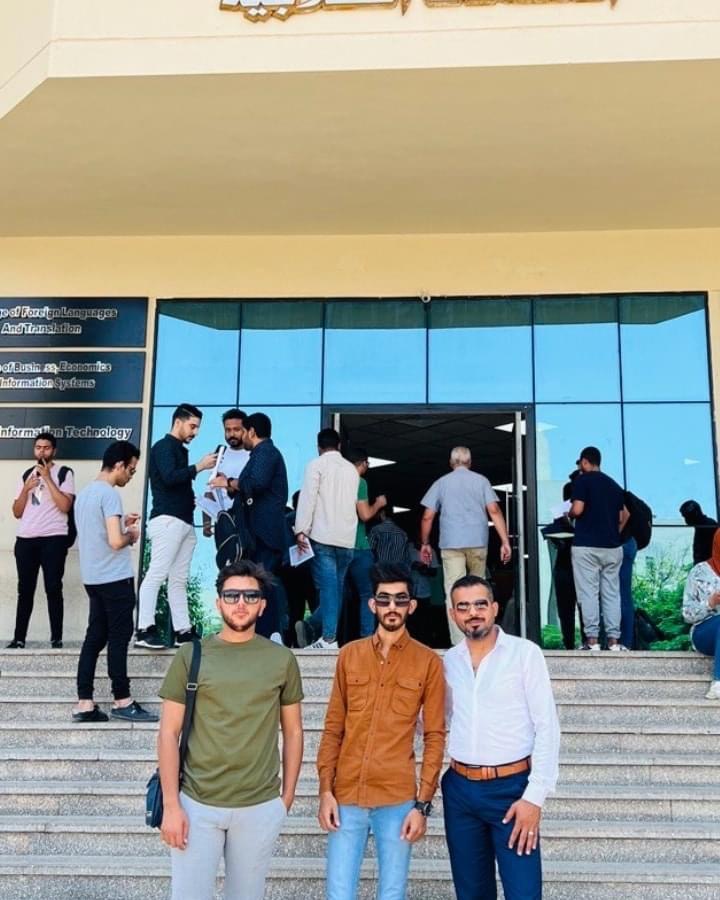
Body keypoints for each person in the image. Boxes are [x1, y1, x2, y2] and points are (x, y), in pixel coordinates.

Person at [158, 560, 304, 900]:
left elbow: (294, 731)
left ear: (262, 605)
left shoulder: (281, 659)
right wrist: (172, 805)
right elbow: (168, 733)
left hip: (259, 804)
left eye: (250, 596)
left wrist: (286, 799)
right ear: (218, 602)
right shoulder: (191, 655)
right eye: (232, 595)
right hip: (196, 803)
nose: (241, 603)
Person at [316, 562, 446, 900]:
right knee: (338, 893)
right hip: (346, 795)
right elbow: (333, 728)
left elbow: (435, 736)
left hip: (397, 799)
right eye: (384, 599)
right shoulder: (349, 656)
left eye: (400, 599)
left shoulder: (429, 663)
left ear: (411, 606)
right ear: (372, 604)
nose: (392, 607)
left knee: (392, 892)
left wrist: (422, 804)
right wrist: (325, 790)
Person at [443, 575, 560, 900]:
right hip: (460, 790)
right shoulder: (449, 661)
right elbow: (441, 720)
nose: (473, 613)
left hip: (512, 790)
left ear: (494, 608)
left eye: (480, 604)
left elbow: (547, 726)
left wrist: (534, 797)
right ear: (453, 614)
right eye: (463, 607)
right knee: (471, 893)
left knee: (523, 893)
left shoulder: (524, 654)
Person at [72, 441, 157, 724]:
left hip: (93, 578)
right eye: (131, 470)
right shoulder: (109, 495)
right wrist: (131, 534)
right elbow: (115, 541)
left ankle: (84, 702)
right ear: (119, 465)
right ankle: (122, 700)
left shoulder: (85, 495)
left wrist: (121, 524)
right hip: (115, 579)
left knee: (94, 638)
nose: (131, 475)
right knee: (119, 639)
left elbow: (98, 535)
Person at [136, 404, 218, 650]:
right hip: (167, 520)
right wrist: (198, 467)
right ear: (178, 422)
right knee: (157, 574)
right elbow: (170, 477)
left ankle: (183, 631)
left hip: (182, 522)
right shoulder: (163, 447)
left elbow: (174, 480)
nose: (195, 432)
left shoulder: (178, 449)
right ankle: (144, 629)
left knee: (178, 579)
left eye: (197, 427)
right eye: (192, 426)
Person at [419, 446, 512, 646]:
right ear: (470, 462)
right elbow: (494, 510)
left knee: (453, 592)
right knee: (479, 591)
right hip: (478, 542)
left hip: (451, 544)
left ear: (451, 463)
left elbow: (427, 516)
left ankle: (459, 643)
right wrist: (505, 541)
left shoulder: (441, 483)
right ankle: (481, 636)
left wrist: (425, 543)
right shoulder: (481, 481)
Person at [211, 412, 289, 641]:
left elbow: (256, 483)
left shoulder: (266, 452)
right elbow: (249, 487)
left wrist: (228, 482)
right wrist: (231, 486)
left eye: (243, 431)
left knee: (264, 583)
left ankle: (272, 632)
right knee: (259, 583)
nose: (240, 436)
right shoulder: (259, 454)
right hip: (256, 535)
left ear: (252, 432)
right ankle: (265, 632)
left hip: (265, 534)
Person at [8, 431, 75, 649]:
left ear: (54, 450)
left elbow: (65, 506)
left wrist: (47, 478)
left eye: (46, 448)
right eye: (38, 448)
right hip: (26, 539)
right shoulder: (26, 474)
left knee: (53, 588)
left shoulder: (64, 473)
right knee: (25, 590)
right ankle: (19, 639)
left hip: (53, 538)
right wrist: (26, 489)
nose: (42, 452)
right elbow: (17, 512)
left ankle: (56, 638)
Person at [295, 428, 359, 649]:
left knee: (328, 590)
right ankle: (311, 626)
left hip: (323, 536)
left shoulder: (316, 465)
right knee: (336, 590)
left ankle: (329, 638)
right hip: (347, 538)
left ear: (319, 447)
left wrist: (301, 530)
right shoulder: (352, 470)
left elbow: (308, 499)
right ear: (339, 445)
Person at [570, 446, 629, 651]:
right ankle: (613, 641)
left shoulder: (582, 481)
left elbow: (578, 509)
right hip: (612, 547)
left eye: (581, 463)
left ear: (585, 461)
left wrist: (569, 514)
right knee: (612, 594)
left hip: (586, 546)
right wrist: (614, 533)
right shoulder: (613, 485)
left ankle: (592, 641)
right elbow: (624, 516)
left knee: (589, 593)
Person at [344, 447, 387, 640]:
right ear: (362, 463)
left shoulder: (335, 482)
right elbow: (364, 514)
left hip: (337, 543)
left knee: (334, 594)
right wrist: (378, 504)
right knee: (367, 594)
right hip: (359, 546)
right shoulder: (359, 481)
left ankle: (314, 626)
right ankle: (366, 637)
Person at [683, 529, 720, 700]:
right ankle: (718, 682)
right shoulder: (699, 572)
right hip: (704, 632)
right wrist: (709, 604)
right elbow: (687, 614)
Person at [202, 409, 250, 539]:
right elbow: (209, 492)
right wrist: (206, 523)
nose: (231, 434)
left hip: (248, 522)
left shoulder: (254, 454)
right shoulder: (220, 455)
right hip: (224, 524)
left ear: (246, 430)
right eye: (228, 430)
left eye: (236, 429)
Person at [680, 500, 719, 565]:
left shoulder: (708, 526)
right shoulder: (701, 527)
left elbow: (706, 552)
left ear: (696, 513)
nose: (686, 520)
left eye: (687, 517)